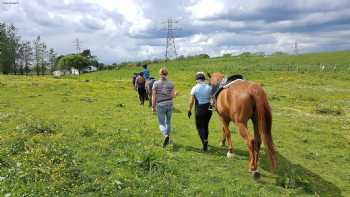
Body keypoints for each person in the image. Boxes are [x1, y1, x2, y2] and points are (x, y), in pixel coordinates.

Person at [187, 72, 212, 152]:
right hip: (208, 108)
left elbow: (191, 101)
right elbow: (212, 99)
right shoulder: (209, 87)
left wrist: (189, 110)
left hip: (200, 109)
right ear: (204, 79)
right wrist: (211, 108)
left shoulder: (195, 88)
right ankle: (206, 140)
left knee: (199, 127)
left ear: (197, 80)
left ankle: (204, 141)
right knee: (205, 125)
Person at [152, 67, 176, 148]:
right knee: (168, 122)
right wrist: (175, 94)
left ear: (160, 74)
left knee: (161, 123)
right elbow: (173, 96)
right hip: (169, 104)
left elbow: (154, 96)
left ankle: (165, 135)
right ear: (167, 74)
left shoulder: (156, 83)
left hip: (160, 105)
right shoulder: (171, 83)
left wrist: (153, 106)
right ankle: (168, 138)